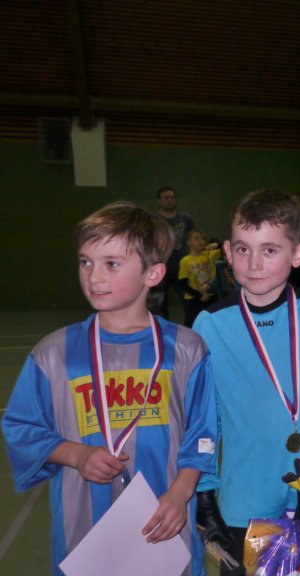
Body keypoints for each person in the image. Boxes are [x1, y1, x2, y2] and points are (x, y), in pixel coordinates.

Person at [2, 202, 217, 575]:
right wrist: (77, 455)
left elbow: (203, 436)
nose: (94, 276)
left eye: (112, 264)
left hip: (165, 524)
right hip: (83, 534)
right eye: (85, 262)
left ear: (153, 273)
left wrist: (181, 494)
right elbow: (21, 428)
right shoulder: (54, 353)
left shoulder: (186, 349)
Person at [191, 189, 300, 575]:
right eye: (243, 249)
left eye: (270, 250)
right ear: (227, 251)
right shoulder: (210, 326)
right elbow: (204, 422)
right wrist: (205, 493)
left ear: (298, 254)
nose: (254, 263)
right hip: (244, 504)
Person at [155, 186, 195, 320]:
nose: (170, 200)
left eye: (172, 197)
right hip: (160, 267)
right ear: (159, 201)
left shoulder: (185, 219)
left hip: (181, 267)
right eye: (166, 198)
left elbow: (193, 239)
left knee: (189, 301)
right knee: (160, 306)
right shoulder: (154, 220)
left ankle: (191, 329)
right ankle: (162, 330)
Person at [178, 229, 219, 327]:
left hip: (211, 297)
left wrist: (216, 244)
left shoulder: (210, 254)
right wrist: (199, 296)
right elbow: (183, 284)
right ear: (188, 242)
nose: (201, 241)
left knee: (212, 325)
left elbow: (226, 247)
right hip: (194, 299)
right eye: (196, 238)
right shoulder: (185, 261)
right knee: (192, 325)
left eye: (202, 239)